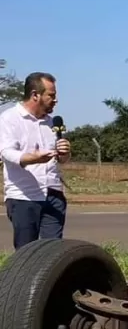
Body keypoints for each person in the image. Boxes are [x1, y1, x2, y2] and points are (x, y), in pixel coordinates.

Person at [0, 72, 71, 249]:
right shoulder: (9, 119)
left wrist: (65, 153)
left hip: (53, 194)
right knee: (26, 253)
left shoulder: (52, 123)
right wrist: (32, 159)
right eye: (51, 95)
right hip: (24, 195)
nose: (55, 100)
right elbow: (6, 152)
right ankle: (21, 278)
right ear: (35, 95)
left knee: (53, 252)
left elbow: (62, 160)